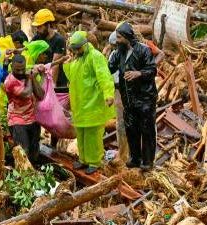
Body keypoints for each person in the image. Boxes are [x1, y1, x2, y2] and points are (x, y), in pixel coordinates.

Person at [63, 31, 115, 175]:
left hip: (93, 104)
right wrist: (67, 66)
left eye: (78, 49)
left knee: (93, 135)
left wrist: (108, 94)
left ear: (85, 45)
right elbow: (73, 79)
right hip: (80, 105)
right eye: (74, 50)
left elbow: (104, 76)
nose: (76, 52)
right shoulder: (78, 59)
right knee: (81, 134)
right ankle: (84, 159)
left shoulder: (95, 56)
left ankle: (95, 161)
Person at [108, 22, 157, 171]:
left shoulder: (143, 50)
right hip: (128, 99)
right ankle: (135, 158)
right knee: (131, 130)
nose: (117, 40)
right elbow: (108, 69)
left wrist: (139, 73)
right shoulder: (118, 53)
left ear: (128, 37)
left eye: (119, 37)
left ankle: (147, 162)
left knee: (147, 131)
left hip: (145, 99)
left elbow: (152, 70)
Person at [32, 8, 67, 148]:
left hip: (57, 82)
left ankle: (53, 145)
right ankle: (36, 140)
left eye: (40, 26)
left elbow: (55, 66)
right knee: (37, 111)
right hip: (40, 80)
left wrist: (51, 87)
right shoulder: (36, 39)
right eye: (37, 27)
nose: (38, 29)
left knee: (55, 114)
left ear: (48, 25)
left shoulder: (58, 40)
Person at [4, 55, 45, 164]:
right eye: (17, 70)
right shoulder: (10, 81)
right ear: (11, 66)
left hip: (33, 118)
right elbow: (26, 93)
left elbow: (40, 95)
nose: (21, 72)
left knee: (34, 150)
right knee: (23, 151)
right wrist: (30, 78)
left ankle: (33, 174)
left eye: (23, 69)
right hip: (17, 119)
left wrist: (33, 78)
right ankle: (22, 175)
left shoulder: (28, 77)